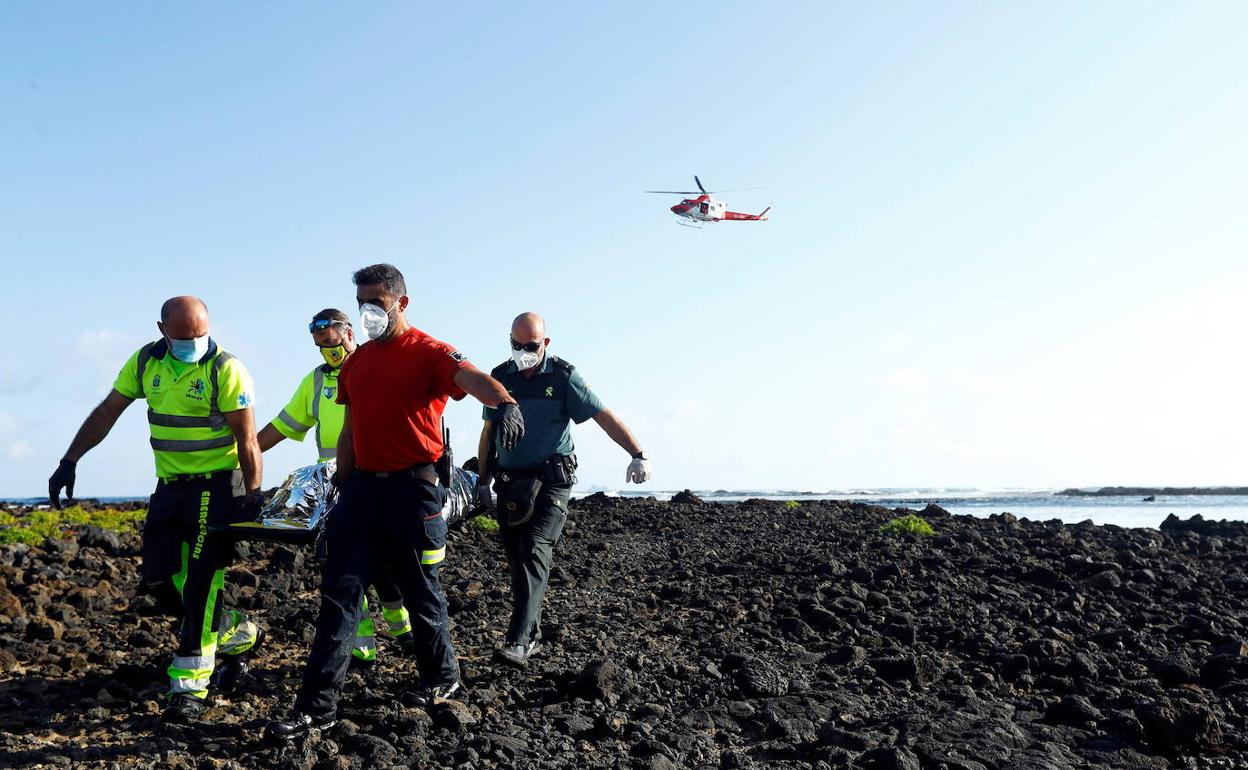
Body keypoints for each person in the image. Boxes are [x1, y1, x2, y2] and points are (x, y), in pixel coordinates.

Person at [266, 264, 526, 740]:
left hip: (414, 490)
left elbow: (471, 377)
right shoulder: (358, 362)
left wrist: (505, 402)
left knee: (419, 589)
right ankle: (316, 708)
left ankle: (441, 679)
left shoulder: (428, 351)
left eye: (376, 304)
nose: (367, 313)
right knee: (340, 597)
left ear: (401, 303)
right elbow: (349, 430)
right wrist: (338, 489)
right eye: (361, 303)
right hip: (360, 492)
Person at [47, 296, 265, 723]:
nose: (193, 343)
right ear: (162, 329)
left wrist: (252, 496)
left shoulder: (225, 368)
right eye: (183, 337)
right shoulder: (147, 361)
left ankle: (190, 687)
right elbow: (108, 410)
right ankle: (239, 633)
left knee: (201, 586)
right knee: (161, 583)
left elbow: (248, 440)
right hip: (169, 489)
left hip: (217, 488)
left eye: (200, 335)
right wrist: (69, 460)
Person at [477, 312, 651, 666]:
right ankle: (534, 635)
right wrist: (482, 479)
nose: (523, 351)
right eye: (516, 344)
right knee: (518, 560)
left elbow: (603, 415)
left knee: (533, 549)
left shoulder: (563, 376)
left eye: (531, 345)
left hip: (552, 481)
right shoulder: (499, 378)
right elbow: (487, 433)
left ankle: (519, 641)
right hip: (512, 484)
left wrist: (637, 453)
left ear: (546, 343)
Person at [257, 308, 415, 665]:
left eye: (332, 344)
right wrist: (245, 450)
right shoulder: (315, 382)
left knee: (386, 564)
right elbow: (282, 426)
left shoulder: (377, 367)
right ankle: (360, 649)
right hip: (334, 487)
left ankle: (402, 628)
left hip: (381, 478)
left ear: (348, 333)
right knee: (341, 565)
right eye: (320, 347)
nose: (328, 353)